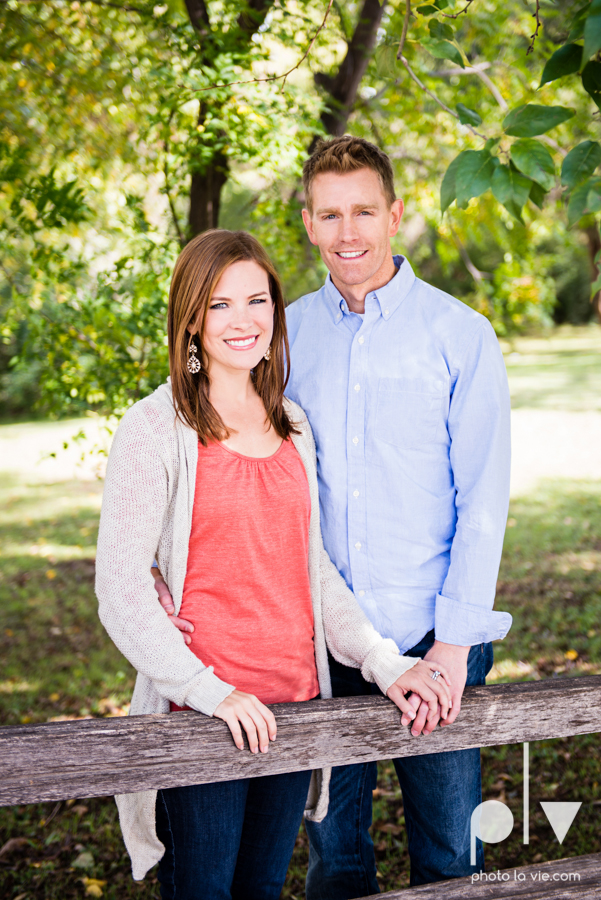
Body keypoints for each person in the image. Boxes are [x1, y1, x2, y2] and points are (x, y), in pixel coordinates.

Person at [157, 137, 513, 897]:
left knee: (449, 857)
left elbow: (482, 505)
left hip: (432, 640)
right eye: (330, 214)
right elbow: (207, 450)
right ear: (309, 223)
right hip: (321, 650)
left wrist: (450, 649)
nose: (347, 232)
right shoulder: (277, 335)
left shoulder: (459, 336)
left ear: (395, 215)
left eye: (363, 211)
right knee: (335, 862)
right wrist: (160, 569)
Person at [95, 228, 454, 900]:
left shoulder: (291, 422)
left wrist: (381, 659)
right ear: (191, 319)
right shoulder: (155, 428)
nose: (242, 320)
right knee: (202, 889)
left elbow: (309, 568)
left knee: (262, 888)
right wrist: (210, 692)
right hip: (204, 710)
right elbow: (119, 588)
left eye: (256, 300)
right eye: (220, 304)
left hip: (291, 704)